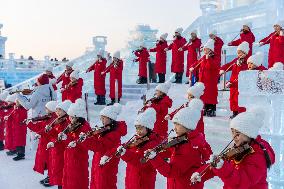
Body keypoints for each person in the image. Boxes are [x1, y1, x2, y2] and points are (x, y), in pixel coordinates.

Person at [190, 107, 275, 189]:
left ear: (249, 134)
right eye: (232, 132)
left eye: (238, 133)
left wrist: (222, 167)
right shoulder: (239, 148)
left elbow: (242, 182)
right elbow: (219, 162)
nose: (234, 137)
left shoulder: (258, 155)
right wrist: (201, 173)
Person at [145, 106, 212, 189]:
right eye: (174, 124)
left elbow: (172, 172)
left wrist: (155, 158)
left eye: (177, 125)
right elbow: (171, 151)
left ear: (187, 126)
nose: (174, 128)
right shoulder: (184, 140)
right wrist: (156, 151)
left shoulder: (190, 147)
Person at [80, 103, 127, 189]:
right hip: (98, 162)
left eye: (104, 117)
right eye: (101, 117)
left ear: (111, 119)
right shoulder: (105, 130)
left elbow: (99, 146)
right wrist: (89, 136)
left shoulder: (114, 134)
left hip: (106, 164)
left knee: (104, 184)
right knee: (96, 183)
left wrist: (86, 141)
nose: (101, 120)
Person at [118, 108, 160, 189]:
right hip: (132, 178)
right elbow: (127, 146)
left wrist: (125, 154)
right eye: (136, 128)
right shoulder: (136, 139)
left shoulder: (153, 143)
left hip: (143, 180)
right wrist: (122, 147)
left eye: (140, 128)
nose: (138, 131)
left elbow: (140, 162)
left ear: (148, 128)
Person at [60, 99, 91, 189]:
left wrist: (67, 138)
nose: (69, 119)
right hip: (70, 157)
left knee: (77, 181)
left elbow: (80, 143)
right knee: (70, 179)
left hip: (78, 158)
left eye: (72, 117)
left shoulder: (84, 128)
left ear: (78, 117)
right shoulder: (72, 125)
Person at [26, 101, 58, 185]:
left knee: (51, 161)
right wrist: (29, 124)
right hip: (45, 143)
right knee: (48, 161)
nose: (46, 109)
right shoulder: (48, 118)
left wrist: (40, 133)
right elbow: (39, 127)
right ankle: (49, 176)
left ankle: (52, 178)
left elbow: (45, 130)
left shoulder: (54, 120)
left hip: (50, 143)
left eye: (47, 108)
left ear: (51, 109)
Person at [46, 100, 72, 188]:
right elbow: (55, 134)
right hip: (56, 148)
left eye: (59, 110)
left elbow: (65, 137)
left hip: (62, 149)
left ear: (66, 111)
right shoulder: (58, 121)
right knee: (57, 168)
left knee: (62, 169)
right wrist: (50, 130)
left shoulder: (67, 122)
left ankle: (62, 186)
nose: (57, 112)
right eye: (56, 110)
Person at [220, 42, 249, 119]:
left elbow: (243, 72)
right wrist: (223, 68)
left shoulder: (247, 61)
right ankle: (234, 112)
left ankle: (240, 113)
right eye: (238, 52)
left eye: (241, 52)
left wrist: (241, 65)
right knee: (232, 99)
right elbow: (229, 65)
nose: (239, 54)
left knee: (238, 99)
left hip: (239, 83)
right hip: (232, 83)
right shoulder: (236, 60)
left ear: (245, 53)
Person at [190, 39, 219, 117]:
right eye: (204, 49)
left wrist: (208, 58)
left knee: (211, 95)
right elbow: (197, 63)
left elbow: (212, 66)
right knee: (204, 94)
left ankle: (211, 109)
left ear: (210, 49)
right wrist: (193, 67)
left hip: (210, 80)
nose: (205, 50)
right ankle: (205, 108)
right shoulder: (204, 57)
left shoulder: (214, 57)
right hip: (202, 80)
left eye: (206, 49)